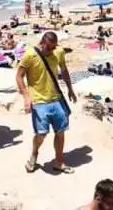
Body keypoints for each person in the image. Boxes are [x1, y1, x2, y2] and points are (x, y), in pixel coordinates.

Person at [16, 31, 77, 173]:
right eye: (49, 47)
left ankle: (59, 162)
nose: (52, 50)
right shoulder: (30, 55)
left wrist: (70, 89)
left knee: (61, 132)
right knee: (41, 133)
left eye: (54, 47)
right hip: (39, 101)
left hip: (57, 98)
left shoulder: (58, 52)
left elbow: (65, 70)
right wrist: (26, 96)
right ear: (42, 43)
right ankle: (34, 153)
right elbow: (19, 76)